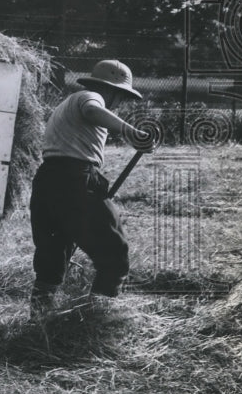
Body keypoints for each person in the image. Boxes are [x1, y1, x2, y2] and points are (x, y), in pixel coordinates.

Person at [29, 59, 155, 316]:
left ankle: (39, 320)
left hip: (48, 180)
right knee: (114, 253)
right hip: (74, 181)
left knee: (52, 255)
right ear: (111, 90)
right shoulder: (89, 97)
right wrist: (132, 133)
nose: (119, 104)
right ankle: (96, 320)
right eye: (120, 96)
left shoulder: (68, 104)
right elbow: (92, 111)